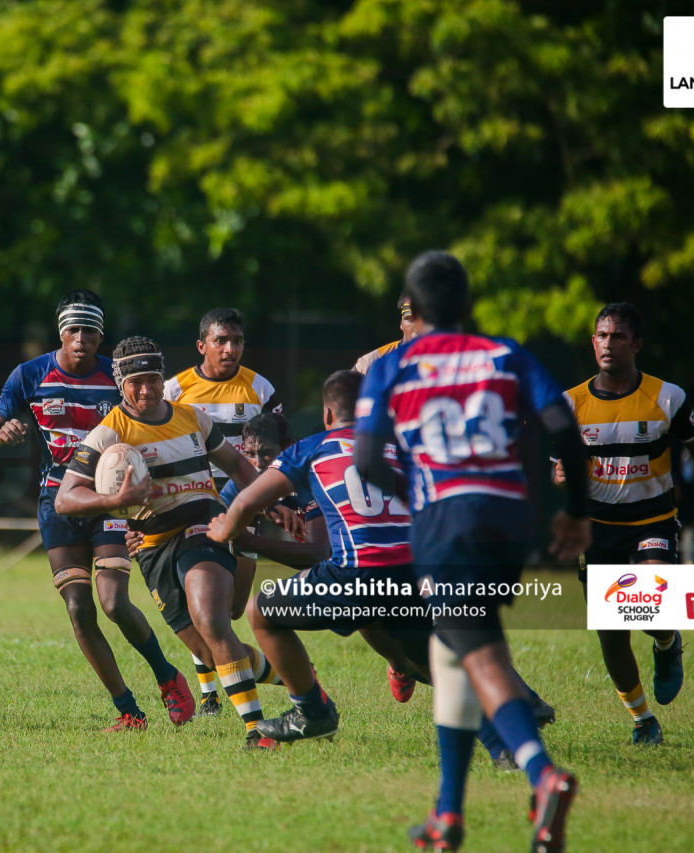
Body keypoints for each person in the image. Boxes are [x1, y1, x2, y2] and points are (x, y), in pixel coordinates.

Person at [355, 251, 589, 852]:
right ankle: (448, 815)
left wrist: (418, 492)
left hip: (448, 523)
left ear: (412, 308)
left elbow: (364, 459)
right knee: (452, 652)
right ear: (466, 305)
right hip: (511, 519)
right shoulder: (505, 354)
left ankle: (542, 774)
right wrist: (575, 511)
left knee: (479, 655)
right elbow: (564, 427)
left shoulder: (393, 365)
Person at [213, 370, 555, 770]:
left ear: (327, 414)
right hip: (412, 577)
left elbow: (243, 503)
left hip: (354, 575)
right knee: (429, 662)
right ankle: (503, 748)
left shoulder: (310, 448)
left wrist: (227, 531)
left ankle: (312, 711)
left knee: (261, 612)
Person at [0, 292, 194, 732]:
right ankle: (129, 711)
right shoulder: (30, 374)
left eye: (90, 331)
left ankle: (167, 676)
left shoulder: (118, 377)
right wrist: (0, 435)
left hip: (111, 502)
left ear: (100, 335)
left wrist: (143, 504)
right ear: (61, 332)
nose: (81, 339)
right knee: (78, 609)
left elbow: (152, 424)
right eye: (73, 330)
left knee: (113, 602)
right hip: (58, 504)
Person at [56, 336, 277, 749]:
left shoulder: (193, 418)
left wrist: (269, 501)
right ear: (121, 385)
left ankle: (257, 733)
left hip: (203, 524)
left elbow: (238, 466)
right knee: (211, 653)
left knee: (212, 620)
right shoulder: (109, 434)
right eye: (136, 382)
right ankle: (301, 682)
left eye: (153, 379)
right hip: (153, 546)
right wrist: (115, 501)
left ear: (163, 379)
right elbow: (66, 498)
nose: (146, 390)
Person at [553, 302, 694, 746]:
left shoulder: (668, 397)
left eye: (619, 336)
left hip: (653, 521)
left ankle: (667, 641)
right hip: (595, 529)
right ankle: (643, 719)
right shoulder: (571, 403)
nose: (609, 344)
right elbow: (556, 466)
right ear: (593, 343)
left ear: (637, 344)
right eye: (602, 336)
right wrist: (561, 472)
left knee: (652, 604)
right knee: (611, 631)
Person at [163, 307, 281, 709]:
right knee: (200, 602)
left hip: (245, 507)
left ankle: (238, 677)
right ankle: (210, 693)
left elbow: (281, 450)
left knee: (230, 610)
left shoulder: (260, 390)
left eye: (237, 341)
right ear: (202, 346)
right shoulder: (174, 391)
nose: (230, 349)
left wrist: (276, 499)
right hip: (190, 508)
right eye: (221, 341)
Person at [353, 294, 416, 375]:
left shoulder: (436, 360)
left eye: (424, 321)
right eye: (409, 320)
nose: (416, 327)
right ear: (401, 323)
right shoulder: (370, 364)